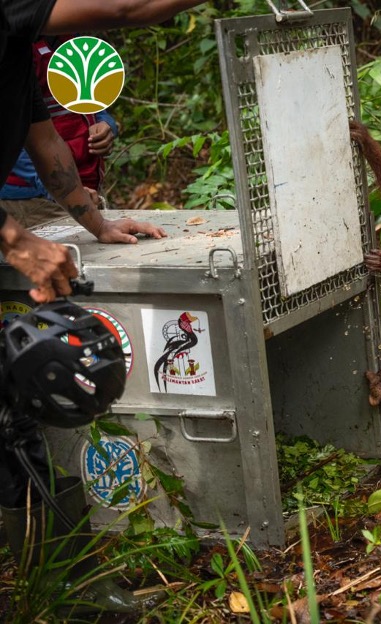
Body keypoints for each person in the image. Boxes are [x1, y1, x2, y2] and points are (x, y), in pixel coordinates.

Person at [0, 0, 210, 613]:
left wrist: (95, 222)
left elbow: (43, 137)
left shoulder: (18, 48)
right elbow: (130, 6)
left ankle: (66, 590)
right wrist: (16, 242)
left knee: (15, 421)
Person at [0, 34, 121, 228]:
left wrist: (106, 123)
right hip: (36, 198)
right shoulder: (15, 47)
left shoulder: (72, 38)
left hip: (81, 188)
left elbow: (92, 100)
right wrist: (66, 191)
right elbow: (12, 133)